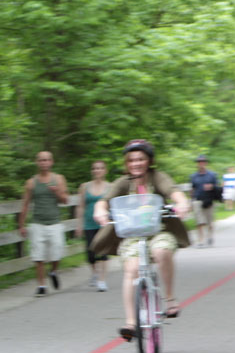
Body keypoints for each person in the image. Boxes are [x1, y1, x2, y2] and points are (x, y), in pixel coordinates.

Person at [92, 140, 190, 341]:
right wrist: (100, 211)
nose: (136, 163)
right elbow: (104, 201)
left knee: (162, 252)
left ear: (149, 161)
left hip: (158, 230)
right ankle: (131, 322)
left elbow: (173, 191)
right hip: (131, 235)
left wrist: (181, 203)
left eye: (141, 159)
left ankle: (170, 299)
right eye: (132, 160)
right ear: (127, 163)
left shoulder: (158, 177)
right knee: (131, 269)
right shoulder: (123, 183)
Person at [18, 150, 69, 297]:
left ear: (51, 162)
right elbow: (25, 204)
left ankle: (53, 271)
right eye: (41, 160)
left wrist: (57, 192)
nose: (44, 163)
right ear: (37, 162)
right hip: (37, 223)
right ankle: (41, 285)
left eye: (47, 160)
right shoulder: (31, 183)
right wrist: (21, 225)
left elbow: (65, 201)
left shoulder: (59, 179)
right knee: (38, 255)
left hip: (54, 222)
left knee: (57, 251)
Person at [75, 160, 109, 291]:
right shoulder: (84, 187)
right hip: (89, 223)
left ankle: (102, 280)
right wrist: (79, 224)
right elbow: (81, 206)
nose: (97, 171)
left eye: (100, 168)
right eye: (95, 168)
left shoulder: (110, 187)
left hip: (103, 223)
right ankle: (95, 273)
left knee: (103, 251)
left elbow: (112, 204)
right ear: (92, 171)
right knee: (90, 253)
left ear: (105, 171)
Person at [189, 154, 220, 247]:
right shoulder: (193, 176)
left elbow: (218, 188)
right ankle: (200, 240)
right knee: (199, 221)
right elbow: (192, 189)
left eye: (202, 161)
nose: (201, 163)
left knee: (209, 221)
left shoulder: (212, 175)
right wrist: (191, 200)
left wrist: (212, 186)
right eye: (199, 162)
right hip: (197, 200)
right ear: (197, 164)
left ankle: (209, 236)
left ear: (206, 163)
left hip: (209, 200)